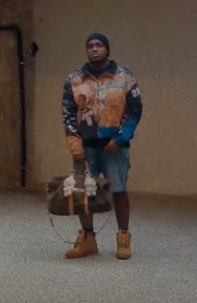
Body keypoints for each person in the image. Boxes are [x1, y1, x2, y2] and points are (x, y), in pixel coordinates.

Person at [61, 32, 142, 260]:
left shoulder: (125, 77)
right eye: (90, 46)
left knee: (119, 190)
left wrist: (121, 139)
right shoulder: (74, 80)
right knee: (83, 191)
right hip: (85, 147)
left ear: (107, 49)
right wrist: (75, 146)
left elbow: (135, 111)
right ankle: (88, 240)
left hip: (114, 146)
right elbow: (68, 114)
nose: (94, 49)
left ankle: (123, 238)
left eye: (99, 45)